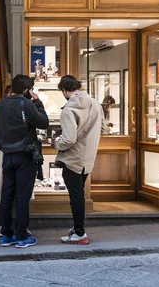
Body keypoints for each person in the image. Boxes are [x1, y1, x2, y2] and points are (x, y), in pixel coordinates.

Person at [0, 74, 48, 248]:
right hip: (25, 156)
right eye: (31, 89)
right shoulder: (26, 104)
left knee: (7, 195)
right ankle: (21, 236)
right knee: (22, 197)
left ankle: (6, 235)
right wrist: (38, 103)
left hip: (8, 155)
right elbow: (43, 122)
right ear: (27, 90)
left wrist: (1, 143)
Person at [53, 75, 106, 245]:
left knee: (75, 196)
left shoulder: (69, 110)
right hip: (88, 157)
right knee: (79, 195)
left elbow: (68, 139)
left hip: (73, 158)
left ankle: (79, 233)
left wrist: (56, 143)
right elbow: (103, 128)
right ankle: (77, 228)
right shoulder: (95, 104)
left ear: (64, 91)